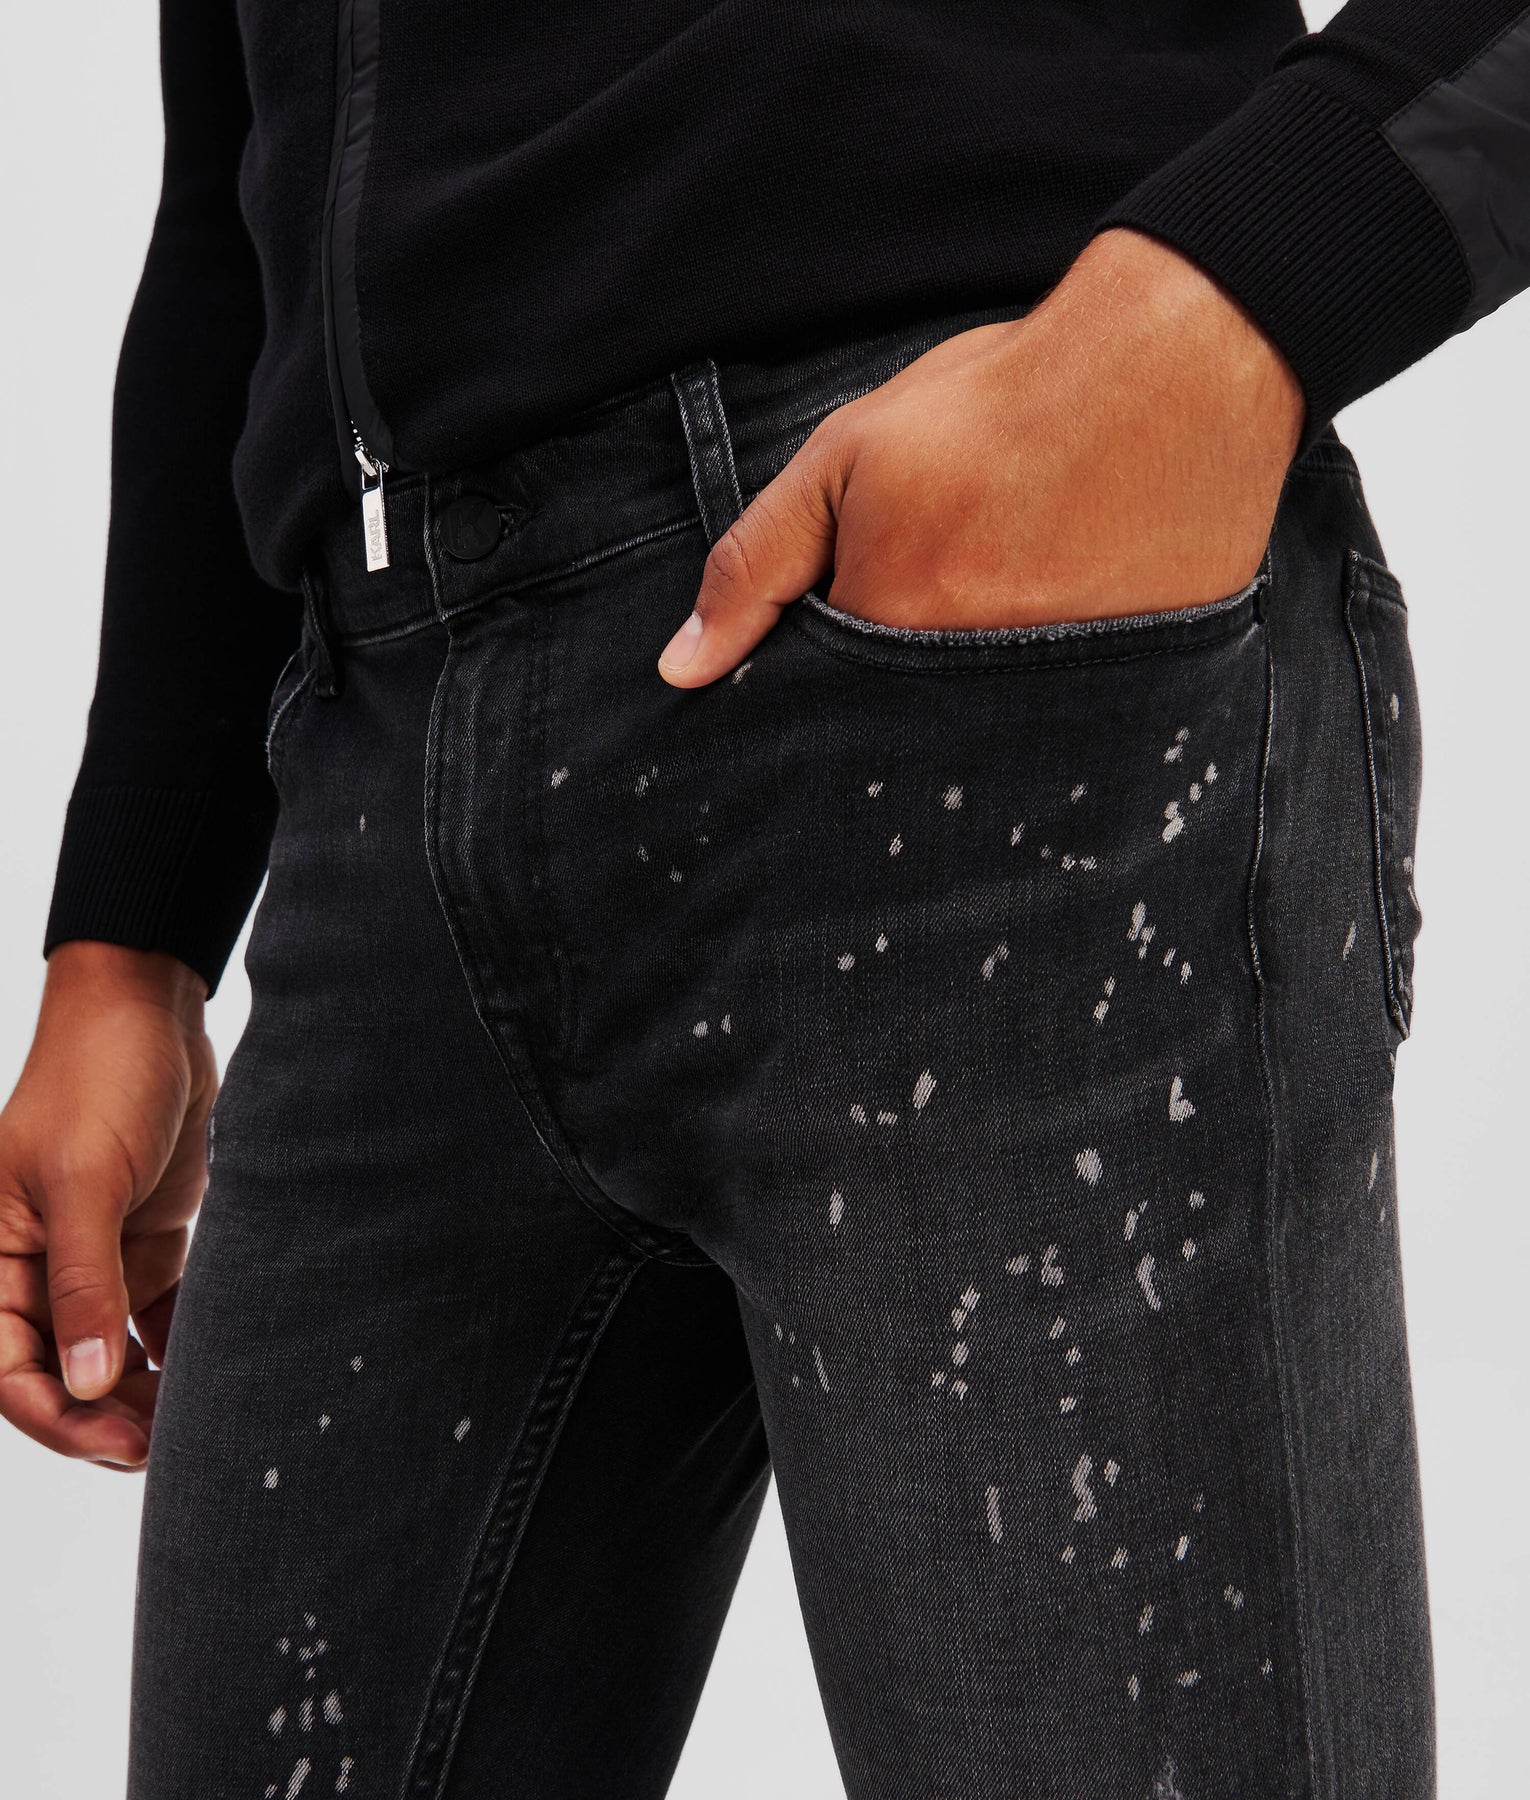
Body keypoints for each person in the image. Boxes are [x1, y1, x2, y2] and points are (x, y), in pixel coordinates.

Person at [2, 1, 1527, 1793]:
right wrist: (132, 934)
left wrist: (1220, 301)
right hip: (381, 779)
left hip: (978, 711)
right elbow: (239, 175)